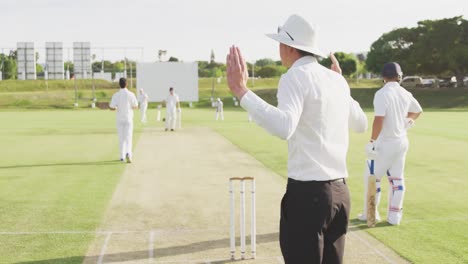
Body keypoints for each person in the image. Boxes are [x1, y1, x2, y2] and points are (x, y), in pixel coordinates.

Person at [226, 14, 368, 263]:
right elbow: (360, 124)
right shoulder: (336, 80)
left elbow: (284, 127)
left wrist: (242, 91)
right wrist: (341, 85)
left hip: (309, 194)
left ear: (289, 47)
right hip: (340, 194)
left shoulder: (294, 76)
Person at [359, 62, 423, 225]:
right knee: (397, 179)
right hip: (401, 142)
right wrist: (408, 119)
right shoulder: (405, 93)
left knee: (372, 177)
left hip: (385, 143)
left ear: (383, 77)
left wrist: (372, 141)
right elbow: (418, 110)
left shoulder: (382, 94)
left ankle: (371, 215)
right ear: (400, 76)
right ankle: (394, 217)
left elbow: (379, 119)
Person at [109, 78, 138, 163]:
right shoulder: (131, 94)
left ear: (119, 84)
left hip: (120, 119)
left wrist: (117, 108)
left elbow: (112, 107)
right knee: (128, 137)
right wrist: (129, 107)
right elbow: (135, 106)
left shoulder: (116, 95)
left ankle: (122, 156)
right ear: (127, 84)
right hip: (128, 118)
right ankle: (128, 153)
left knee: (121, 138)